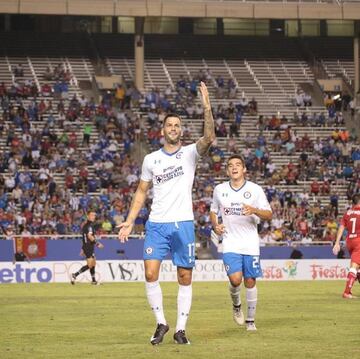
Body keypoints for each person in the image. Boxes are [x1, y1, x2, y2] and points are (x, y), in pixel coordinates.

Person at [118, 82, 215, 345]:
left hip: (183, 223)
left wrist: (207, 107)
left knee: (184, 276)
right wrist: (128, 222)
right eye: (169, 125)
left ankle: (180, 329)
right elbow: (140, 192)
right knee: (150, 274)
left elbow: (209, 139)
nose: (173, 129)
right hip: (157, 224)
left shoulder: (189, 154)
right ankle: (161, 322)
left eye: (177, 125)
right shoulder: (151, 159)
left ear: (181, 131)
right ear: (162, 131)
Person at [210, 154, 272, 331]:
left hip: (250, 242)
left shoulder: (255, 190)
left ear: (244, 169)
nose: (234, 167)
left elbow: (269, 214)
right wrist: (215, 225)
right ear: (227, 170)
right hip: (230, 241)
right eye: (231, 165)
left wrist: (254, 210)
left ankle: (250, 321)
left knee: (250, 281)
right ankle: (237, 306)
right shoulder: (219, 189)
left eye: (238, 164)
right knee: (236, 280)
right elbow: (214, 211)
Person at [333, 194, 360, 299]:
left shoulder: (348, 213)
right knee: (354, 266)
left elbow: (341, 227)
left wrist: (337, 243)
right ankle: (347, 292)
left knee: (358, 267)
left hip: (350, 241)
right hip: (359, 241)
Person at [71, 210, 104, 285]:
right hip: (88, 247)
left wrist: (82, 249)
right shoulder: (89, 226)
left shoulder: (87, 225)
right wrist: (98, 244)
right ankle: (75, 275)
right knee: (90, 264)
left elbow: (84, 238)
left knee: (93, 263)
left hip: (88, 246)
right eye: (92, 215)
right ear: (88, 216)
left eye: (94, 215)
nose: (94, 217)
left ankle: (93, 280)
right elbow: (89, 236)